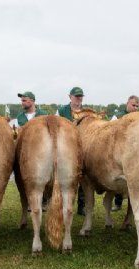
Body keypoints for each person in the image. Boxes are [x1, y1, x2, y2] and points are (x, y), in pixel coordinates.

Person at [57, 87, 85, 215]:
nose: (79, 98)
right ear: (70, 97)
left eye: (80, 96)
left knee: (83, 176)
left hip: (82, 146)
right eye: (76, 96)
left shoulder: (86, 111)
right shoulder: (62, 110)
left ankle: (81, 205)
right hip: (66, 146)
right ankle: (62, 202)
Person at [111, 95, 139, 211]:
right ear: (127, 103)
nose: (135, 108)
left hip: (134, 151)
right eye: (133, 105)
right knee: (119, 176)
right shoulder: (117, 116)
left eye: (137, 106)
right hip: (118, 151)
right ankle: (118, 203)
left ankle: (134, 204)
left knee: (134, 179)